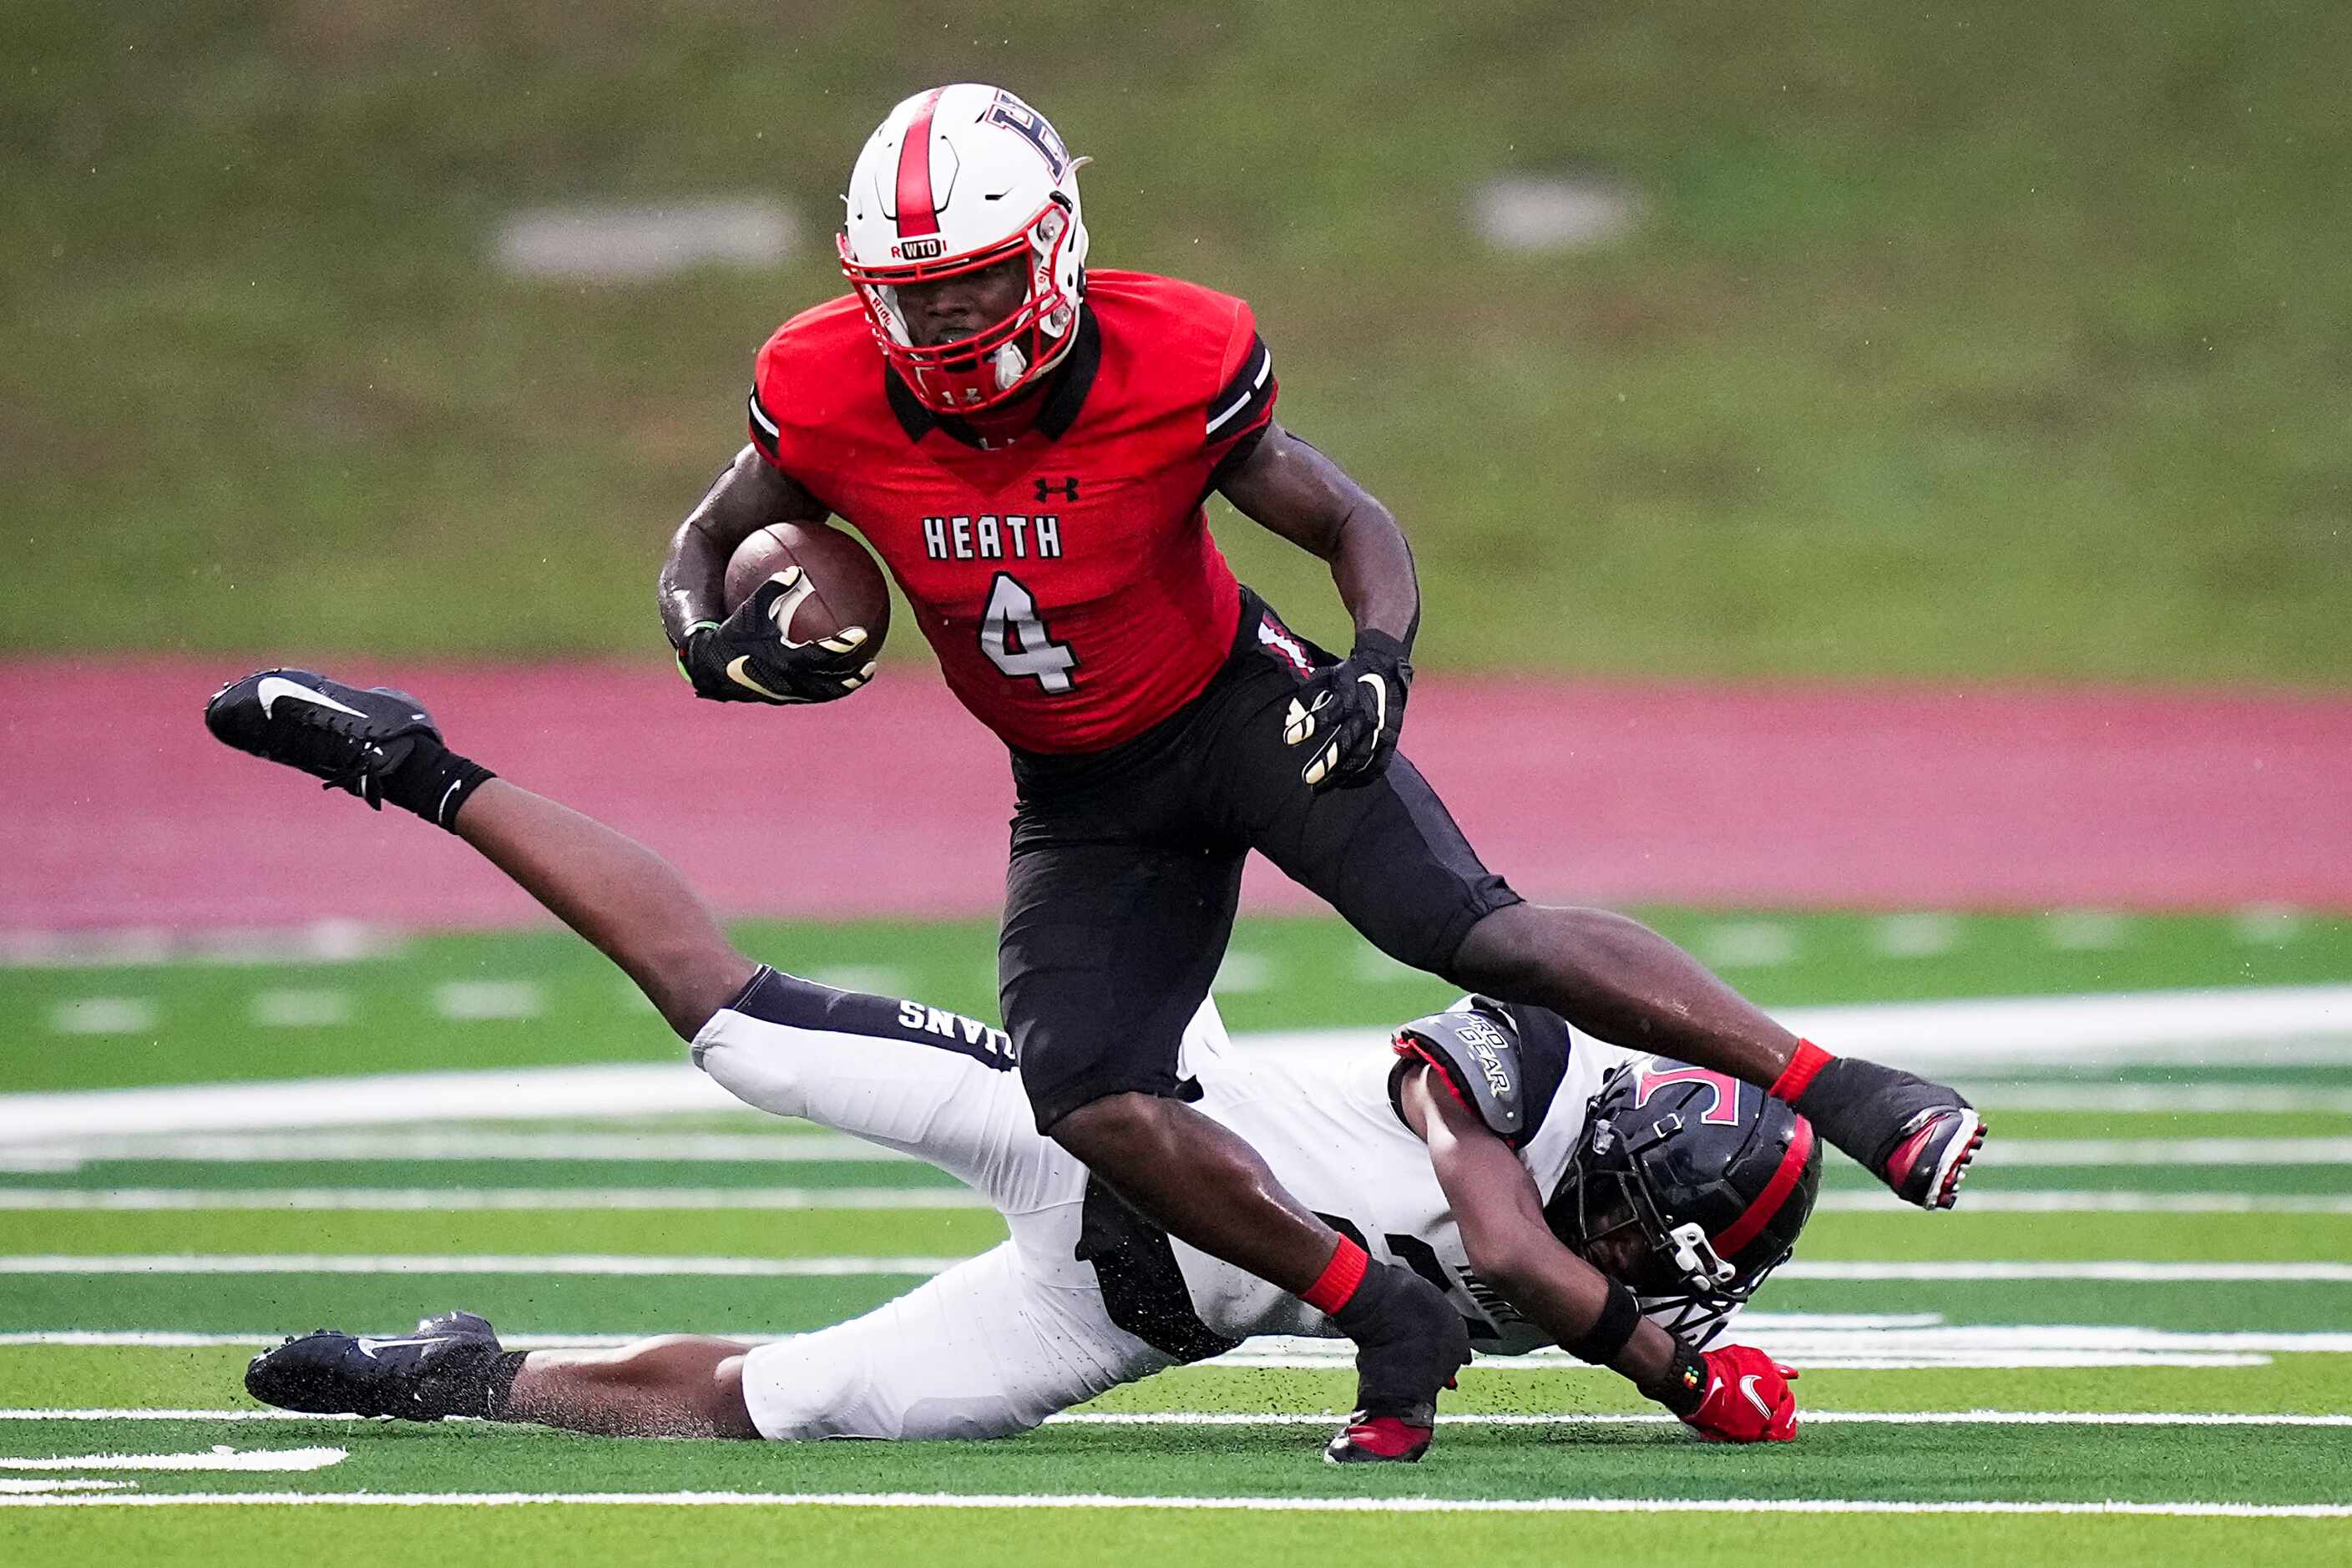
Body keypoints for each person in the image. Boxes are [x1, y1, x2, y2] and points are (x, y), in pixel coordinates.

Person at [651, 83, 1980, 1460]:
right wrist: (705, 638)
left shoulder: (1173, 353)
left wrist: (1376, 659)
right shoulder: (819, 384)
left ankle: (1850, 1090)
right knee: (1089, 1094)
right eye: (909, 294)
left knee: (1468, 929)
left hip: (1239, 710)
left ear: (1051, 249)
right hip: (1081, 791)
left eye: (972, 285)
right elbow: (709, 536)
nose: (939, 323)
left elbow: (1342, 512)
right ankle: (1379, 1310)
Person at [209, 668, 1811, 1456]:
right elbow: (1522, 1257)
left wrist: (1677, 1362)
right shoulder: (1528, 1073)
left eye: (1661, 1274)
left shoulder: (1628, 1270)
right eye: (1633, 1234)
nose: (1626, 1267)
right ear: (1624, 1159)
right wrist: (1677, 1379)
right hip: (1120, 1115)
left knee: (791, 1410)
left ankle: (461, 1374)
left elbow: (1578, 1290)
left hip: (1115, 1310)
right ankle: (412, 766)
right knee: (740, 1031)